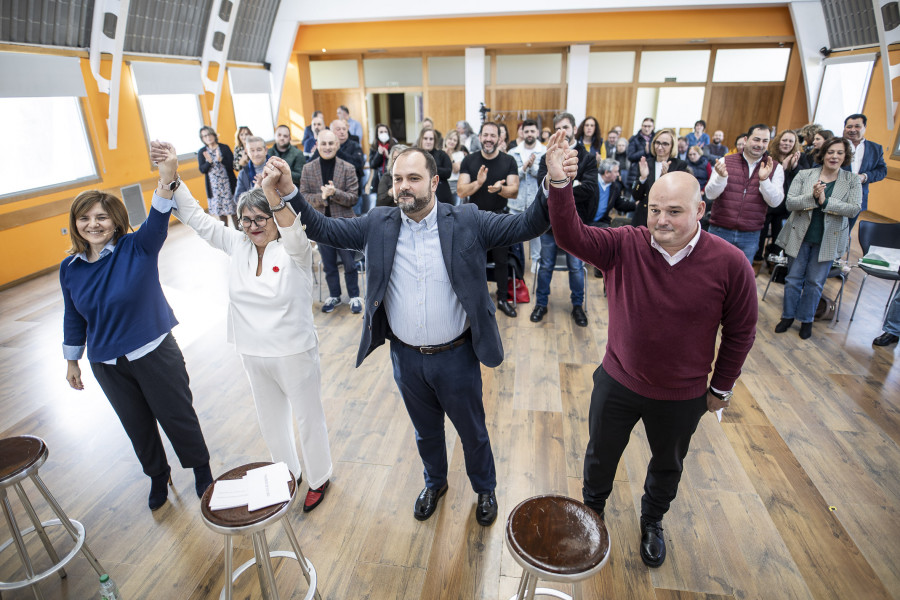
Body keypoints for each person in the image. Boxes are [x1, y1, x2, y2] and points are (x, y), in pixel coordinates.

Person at [285, 131, 578, 527]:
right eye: (398, 179)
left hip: (456, 356)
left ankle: (484, 489)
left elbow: (528, 224)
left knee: (472, 431)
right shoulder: (379, 223)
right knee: (425, 432)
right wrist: (290, 192)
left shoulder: (468, 220)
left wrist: (551, 183)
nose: (403, 186)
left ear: (435, 182)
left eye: (413, 178)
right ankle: (435, 482)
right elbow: (323, 229)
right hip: (406, 357)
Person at [547, 169, 757, 569]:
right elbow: (569, 236)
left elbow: (741, 332)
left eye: (674, 211)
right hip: (619, 380)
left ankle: (653, 520)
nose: (661, 219)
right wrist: (560, 185)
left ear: (700, 210)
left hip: (683, 395)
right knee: (600, 455)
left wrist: (721, 388)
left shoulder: (731, 263)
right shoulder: (625, 244)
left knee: (667, 464)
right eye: (655, 209)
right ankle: (592, 512)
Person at [151, 142, 333, 511]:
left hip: (293, 351)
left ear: (275, 218)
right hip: (252, 351)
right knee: (270, 422)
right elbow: (198, 220)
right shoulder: (238, 246)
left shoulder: (296, 252)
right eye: (245, 220)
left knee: (307, 418)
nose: (251, 228)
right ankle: (288, 472)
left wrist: (274, 193)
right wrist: (171, 177)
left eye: (258, 219)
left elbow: (295, 233)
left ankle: (319, 477)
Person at [61, 176, 213, 512]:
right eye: (84, 218)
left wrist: (167, 174)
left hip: (154, 351)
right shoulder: (69, 268)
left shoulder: (137, 246)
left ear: (115, 220)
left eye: (101, 217)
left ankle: (201, 470)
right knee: (136, 425)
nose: (93, 224)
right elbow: (74, 315)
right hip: (107, 363)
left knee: (177, 416)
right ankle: (158, 475)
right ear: (75, 224)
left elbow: (159, 213)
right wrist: (72, 360)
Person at [775, 137, 861, 339]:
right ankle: (787, 316)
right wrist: (813, 198)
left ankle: (807, 320)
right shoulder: (805, 175)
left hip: (827, 240)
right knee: (793, 279)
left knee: (815, 282)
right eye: (831, 152)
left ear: (845, 156)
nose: (834, 156)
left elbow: (853, 209)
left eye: (840, 153)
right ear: (823, 154)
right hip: (800, 236)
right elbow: (790, 203)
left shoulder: (852, 180)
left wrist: (826, 201)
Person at [530, 112, 598, 327]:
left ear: (574, 129)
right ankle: (541, 303)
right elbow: (544, 190)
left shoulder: (587, 158)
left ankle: (577, 306)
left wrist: (562, 187)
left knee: (576, 268)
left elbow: (589, 189)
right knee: (546, 265)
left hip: (576, 223)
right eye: (558, 128)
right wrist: (569, 185)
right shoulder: (545, 158)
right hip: (550, 223)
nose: (563, 132)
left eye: (566, 127)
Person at [457, 121, 520, 317]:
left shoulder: (509, 161)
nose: (489, 139)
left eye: (493, 135)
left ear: (499, 138)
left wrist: (500, 189)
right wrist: (479, 183)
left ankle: (502, 298)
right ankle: (477, 300)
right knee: (475, 262)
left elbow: (514, 191)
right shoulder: (470, 161)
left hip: (499, 219)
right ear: (480, 136)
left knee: (501, 261)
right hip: (474, 219)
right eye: (486, 135)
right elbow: (461, 191)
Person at [300, 129, 362, 314]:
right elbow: (303, 197)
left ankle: (354, 296)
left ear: (337, 145)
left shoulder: (348, 168)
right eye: (323, 143)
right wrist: (322, 196)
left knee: (350, 264)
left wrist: (335, 193)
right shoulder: (308, 169)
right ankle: (334, 295)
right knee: (328, 264)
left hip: (345, 224)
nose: (327, 147)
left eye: (331, 143)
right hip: (320, 225)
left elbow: (353, 198)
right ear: (317, 145)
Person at [705, 124, 784, 263]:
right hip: (720, 230)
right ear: (747, 139)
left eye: (765, 141)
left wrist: (764, 180)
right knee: (711, 274)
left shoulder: (775, 168)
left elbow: (775, 202)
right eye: (756, 139)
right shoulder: (726, 161)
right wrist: (721, 178)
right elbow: (710, 194)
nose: (760, 144)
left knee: (739, 280)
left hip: (750, 235)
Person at [755, 129, 811, 261]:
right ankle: (757, 259)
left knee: (779, 235)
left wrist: (794, 166)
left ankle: (773, 260)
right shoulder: (769, 156)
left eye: (790, 141)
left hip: (786, 205)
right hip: (768, 202)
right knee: (761, 233)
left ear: (795, 143)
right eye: (784, 140)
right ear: (779, 141)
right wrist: (782, 167)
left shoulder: (800, 157)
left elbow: (806, 177)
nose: (787, 143)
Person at [630, 129, 690, 228]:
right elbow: (636, 196)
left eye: (665, 144)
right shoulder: (646, 163)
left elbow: (678, 195)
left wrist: (665, 178)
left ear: (672, 146)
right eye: (657, 143)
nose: (660, 147)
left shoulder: (679, 165)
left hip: (666, 219)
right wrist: (643, 178)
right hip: (643, 217)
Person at [508, 119, 546, 270]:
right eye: (526, 131)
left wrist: (531, 167)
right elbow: (510, 175)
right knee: (513, 233)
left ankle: (536, 260)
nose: (529, 134)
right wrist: (523, 168)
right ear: (522, 133)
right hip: (516, 201)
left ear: (537, 132)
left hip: (535, 200)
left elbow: (545, 175)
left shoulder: (544, 151)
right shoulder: (513, 152)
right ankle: (516, 262)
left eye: (532, 131)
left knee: (536, 233)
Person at [842, 113, 886, 231]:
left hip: (858, 196)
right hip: (834, 194)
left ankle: (842, 249)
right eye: (849, 127)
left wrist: (864, 177)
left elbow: (882, 170)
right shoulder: (836, 144)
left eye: (857, 126)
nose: (853, 130)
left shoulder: (875, 148)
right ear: (844, 128)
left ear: (865, 127)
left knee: (846, 230)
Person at [197, 126, 238, 228]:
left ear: (214, 135)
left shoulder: (224, 147)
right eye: (205, 136)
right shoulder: (202, 152)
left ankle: (239, 232)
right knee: (221, 214)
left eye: (209, 134)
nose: (208, 137)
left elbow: (232, 165)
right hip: (214, 188)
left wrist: (221, 160)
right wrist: (209, 162)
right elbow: (202, 169)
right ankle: (226, 234)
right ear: (202, 138)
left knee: (233, 211)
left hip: (228, 185)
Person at [416, 128, 453, 204]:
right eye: (425, 138)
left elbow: (448, 172)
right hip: (421, 195)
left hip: (442, 195)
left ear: (434, 141)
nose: (428, 141)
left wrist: (429, 168)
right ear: (421, 140)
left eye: (431, 139)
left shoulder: (442, 154)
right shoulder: (415, 155)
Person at [368, 123, 398, 208]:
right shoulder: (374, 147)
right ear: (377, 134)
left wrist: (389, 156)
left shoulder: (394, 145)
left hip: (390, 179)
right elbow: (372, 165)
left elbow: (397, 162)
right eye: (381, 132)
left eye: (385, 131)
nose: (383, 133)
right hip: (378, 179)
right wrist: (379, 154)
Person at [234, 136, 268, 200]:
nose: (256, 154)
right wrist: (255, 189)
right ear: (247, 152)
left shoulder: (276, 166)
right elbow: (237, 199)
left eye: (259, 150)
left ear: (265, 150)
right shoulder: (243, 173)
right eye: (252, 151)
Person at [444, 131, 465, 205]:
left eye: (455, 140)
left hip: (455, 185)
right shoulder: (440, 152)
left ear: (457, 143)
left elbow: (456, 170)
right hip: (442, 184)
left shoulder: (460, 154)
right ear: (446, 139)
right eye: (450, 139)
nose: (452, 141)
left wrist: (450, 156)